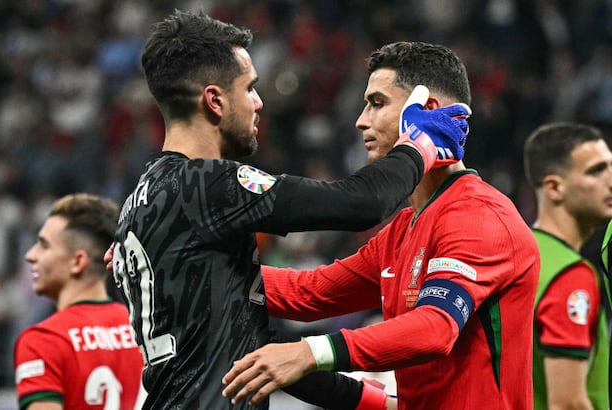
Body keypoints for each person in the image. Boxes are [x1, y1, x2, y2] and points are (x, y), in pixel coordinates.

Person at [109, 9, 470, 410]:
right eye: (249, 88)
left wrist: (381, 403)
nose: (259, 102)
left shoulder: (138, 204)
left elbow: (255, 355)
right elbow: (359, 203)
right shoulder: (206, 184)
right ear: (214, 101)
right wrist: (421, 143)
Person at [222, 41, 540, 410]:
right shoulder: (404, 228)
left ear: (426, 111)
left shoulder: (480, 216)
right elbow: (311, 292)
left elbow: (436, 328)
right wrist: (205, 271)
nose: (361, 120)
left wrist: (311, 352)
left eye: (377, 103)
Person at [14, 193, 145, 410]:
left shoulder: (43, 341)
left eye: (44, 246)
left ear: (77, 262)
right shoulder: (144, 330)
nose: (30, 255)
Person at [524, 123, 612, 409]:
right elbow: (568, 403)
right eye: (596, 171)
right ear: (554, 188)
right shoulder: (570, 277)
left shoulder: (521, 254)